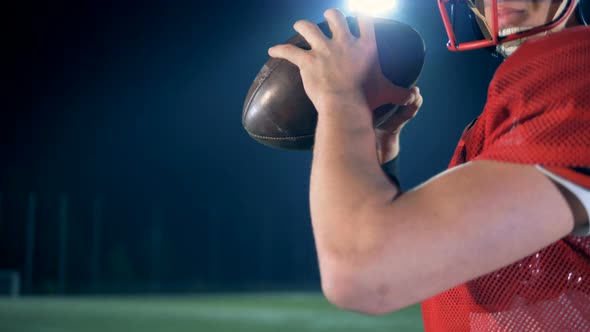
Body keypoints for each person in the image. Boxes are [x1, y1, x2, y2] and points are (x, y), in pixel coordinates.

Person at [268, 0, 589, 330]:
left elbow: (363, 274)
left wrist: (340, 97)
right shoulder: (524, 104)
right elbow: (416, 268)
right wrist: (376, 144)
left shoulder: (577, 83)